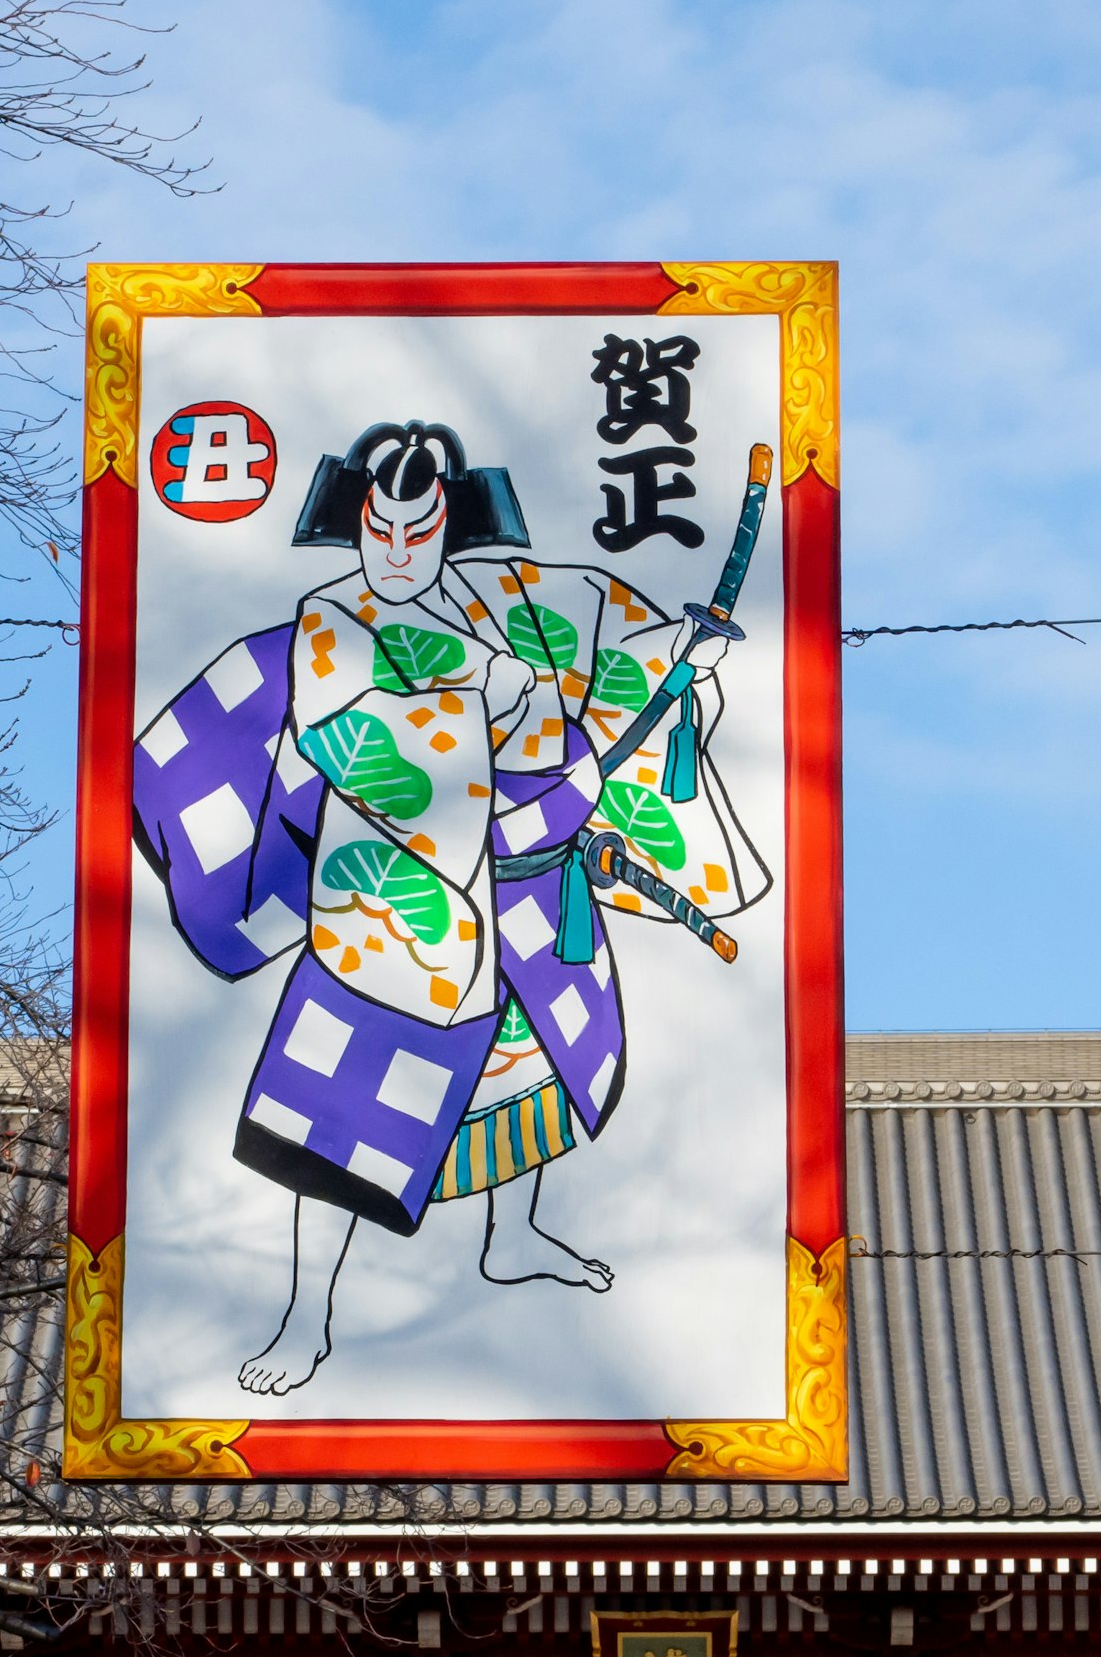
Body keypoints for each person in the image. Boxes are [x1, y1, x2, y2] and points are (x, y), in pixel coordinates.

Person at [127, 418, 772, 1396]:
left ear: (446, 527)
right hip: (396, 911)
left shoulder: (501, 603)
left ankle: (510, 1236)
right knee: (338, 1123)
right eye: (378, 528)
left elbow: (600, 642)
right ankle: (307, 1318)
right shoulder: (332, 622)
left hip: (520, 894)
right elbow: (357, 742)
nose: (394, 550)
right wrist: (496, 718)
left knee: (535, 1073)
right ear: (354, 525)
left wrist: (672, 655)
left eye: (416, 529)